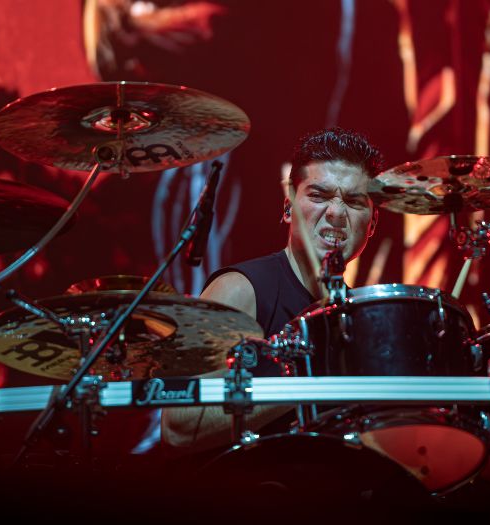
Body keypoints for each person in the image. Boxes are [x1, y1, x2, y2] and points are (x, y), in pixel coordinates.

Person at [161, 127, 383, 455]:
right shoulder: (240, 290)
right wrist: (309, 378)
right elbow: (178, 427)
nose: (336, 213)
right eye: (319, 196)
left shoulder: (361, 319)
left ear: (373, 224)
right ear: (287, 208)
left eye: (353, 201)